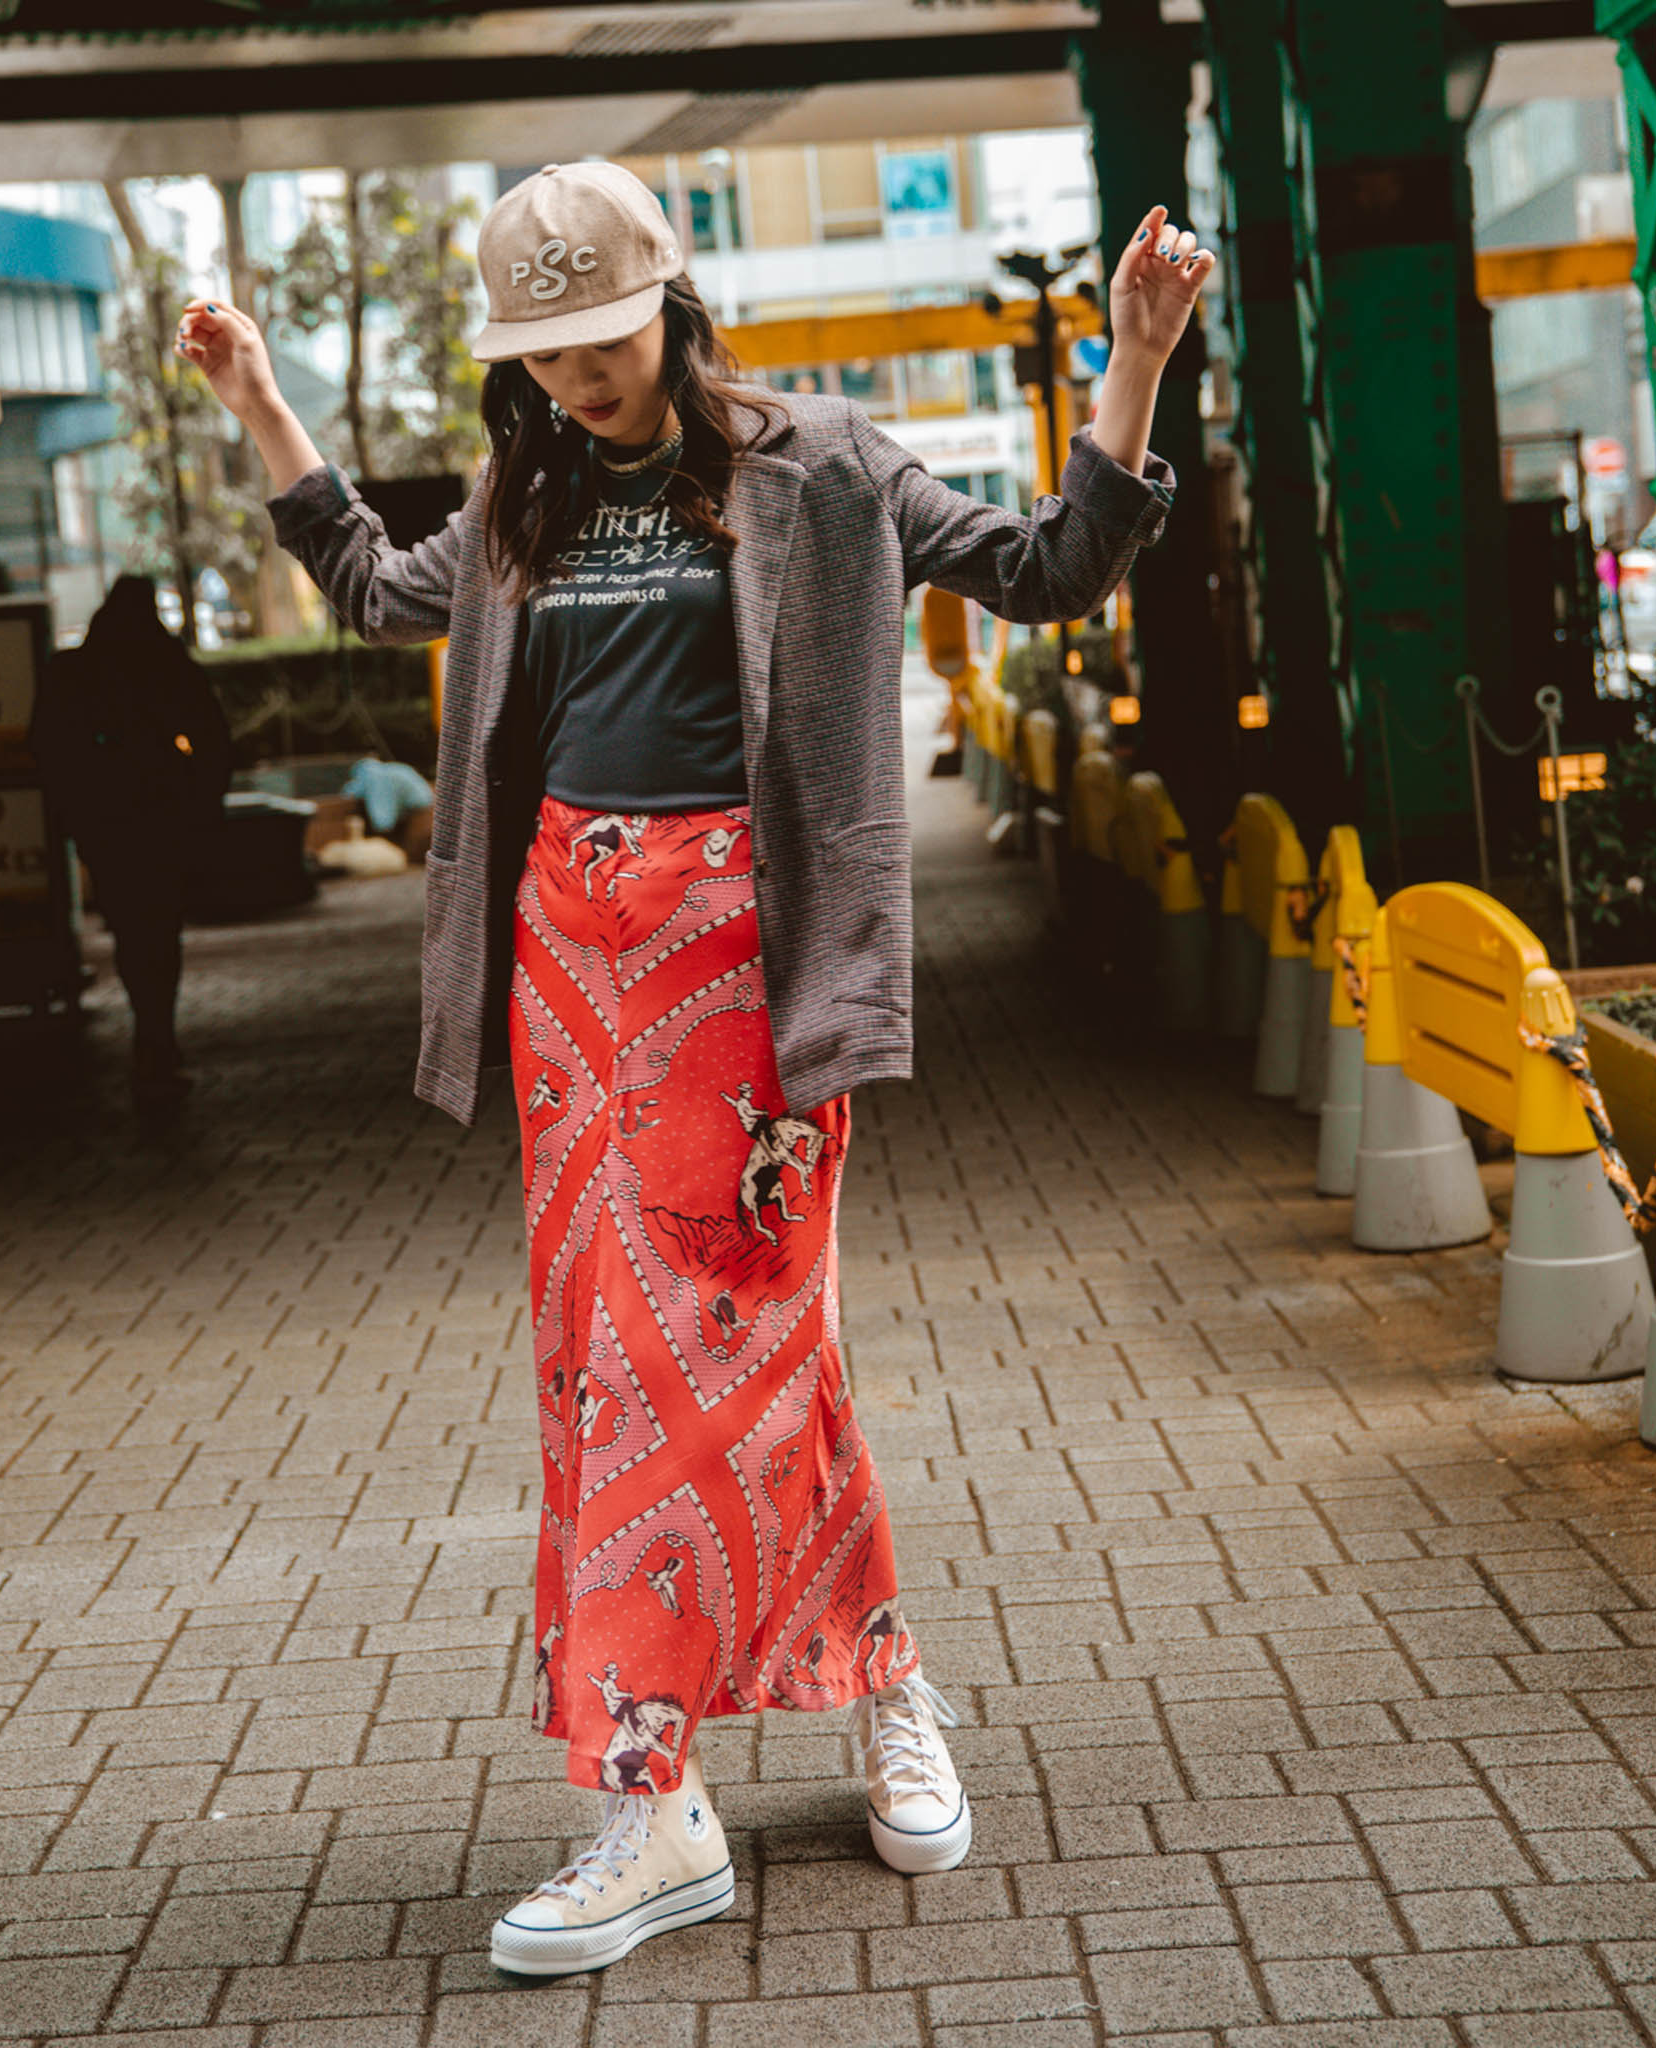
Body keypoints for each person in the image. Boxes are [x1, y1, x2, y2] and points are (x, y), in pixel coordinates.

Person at [178, 163, 1211, 1977]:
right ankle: (875, 1679)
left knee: (714, 1354)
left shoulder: (823, 463)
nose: (576, 374)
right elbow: (367, 585)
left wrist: (1131, 362)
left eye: (600, 334)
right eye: (542, 348)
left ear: (670, 301)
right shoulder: (522, 493)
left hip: (747, 962)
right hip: (568, 971)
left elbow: (1050, 571)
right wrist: (260, 398)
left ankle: (652, 1795)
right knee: (629, 1362)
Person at [31, 574, 232, 1100]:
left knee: (128, 928)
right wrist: (204, 801)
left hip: (105, 823)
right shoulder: (165, 664)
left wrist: (68, 816)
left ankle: (149, 1027)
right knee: (162, 930)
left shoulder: (76, 671)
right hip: (164, 819)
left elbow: (48, 748)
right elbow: (212, 735)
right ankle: (157, 1032)